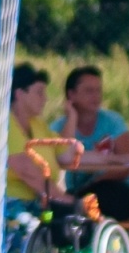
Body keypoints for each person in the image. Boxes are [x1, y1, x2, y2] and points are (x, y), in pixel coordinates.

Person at [51, 65, 129, 221]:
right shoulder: (59, 126)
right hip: (78, 192)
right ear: (71, 95)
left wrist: (96, 181)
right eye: (89, 91)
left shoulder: (113, 122)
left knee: (109, 197)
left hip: (113, 190)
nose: (96, 96)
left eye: (99, 90)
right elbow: (61, 156)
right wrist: (72, 118)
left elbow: (128, 163)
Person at [6, 63, 80, 214]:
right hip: (11, 207)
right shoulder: (5, 126)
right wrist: (67, 201)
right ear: (19, 94)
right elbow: (27, 171)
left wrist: (72, 117)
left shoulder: (39, 125)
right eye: (39, 93)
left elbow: (66, 155)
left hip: (39, 204)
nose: (45, 99)